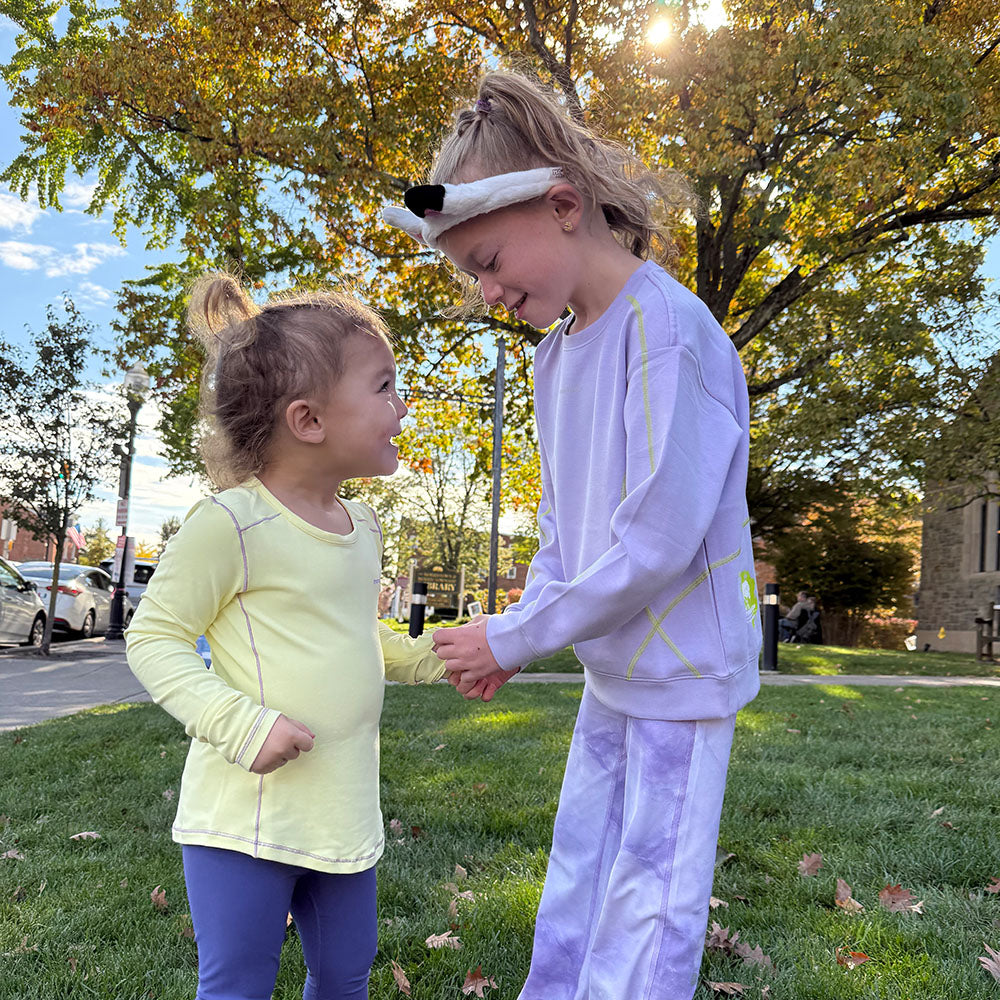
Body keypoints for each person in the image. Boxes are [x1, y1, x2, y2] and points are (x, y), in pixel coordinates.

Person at [385, 72, 761, 1000]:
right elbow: (562, 532)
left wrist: (520, 635)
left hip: (682, 674)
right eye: (470, 275)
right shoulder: (555, 359)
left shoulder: (668, 331)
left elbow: (657, 541)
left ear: (562, 206)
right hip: (611, 669)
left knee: (651, 895)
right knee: (582, 865)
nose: (485, 292)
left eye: (487, 261)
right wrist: (523, 631)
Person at [125, 275, 447, 1000]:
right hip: (243, 822)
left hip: (341, 815)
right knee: (238, 985)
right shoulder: (232, 524)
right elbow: (154, 637)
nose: (402, 405)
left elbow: (355, 634)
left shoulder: (362, 527)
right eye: (384, 386)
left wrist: (440, 656)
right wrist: (239, 725)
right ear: (309, 419)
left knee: (345, 977)